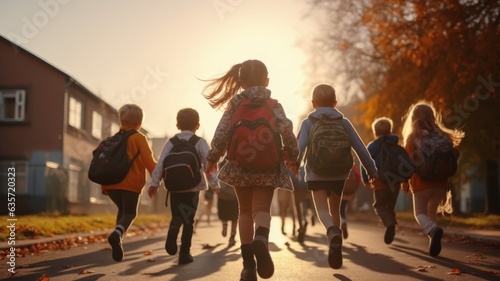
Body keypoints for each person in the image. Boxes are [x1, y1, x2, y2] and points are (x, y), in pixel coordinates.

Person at [203, 59, 299, 280]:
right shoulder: (274, 104)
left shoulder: (235, 105)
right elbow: (287, 130)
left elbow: (222, 133)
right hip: (268, 165)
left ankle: (248, 267)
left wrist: (212, 159)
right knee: (261, 209)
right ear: (266, 81)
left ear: (240, 82)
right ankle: (262, 239)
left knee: (244, 212)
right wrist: (292, 156)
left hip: (240, 165)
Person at [296, 83, 377, 269]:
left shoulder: (308, 123)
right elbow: (360, 149)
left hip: (316, 173)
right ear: (335, 103)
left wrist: (295, 165)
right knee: (335, 210)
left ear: (313, 103)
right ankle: (336, 241)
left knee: (322, 210)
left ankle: (332, 233)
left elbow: (299, 148)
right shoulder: (344, 122)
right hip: (340, 173)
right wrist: (372, 170)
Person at [148, 108, 213, 264]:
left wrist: (154, 183)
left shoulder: (171, 142)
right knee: (189, 220)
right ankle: (184, 253)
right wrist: (214, 184)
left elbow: (161, 162)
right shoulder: (200, 142)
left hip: (174, 187)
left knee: (177, 215)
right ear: (197, 125)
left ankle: (174, 227)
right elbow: (209, 164)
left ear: (177, 125)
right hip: (193, 188)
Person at [401, 101, 464, 257]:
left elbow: (408, 163)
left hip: (421, 183)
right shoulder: (442, 135)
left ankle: (434, 231)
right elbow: (455, 154)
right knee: (431, 214)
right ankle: (433, 243)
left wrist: (404, 182)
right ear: (432, 117)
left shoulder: (413, 137)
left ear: (414, 118)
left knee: (420, 213)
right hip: (441, 184)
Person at [102, 104, 157, 262]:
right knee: (131, 213)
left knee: (122, 209)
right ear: (139, 123)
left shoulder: (113, 139)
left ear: (121, 120)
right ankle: (116, 234)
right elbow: (149, 162)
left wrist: (104, 186)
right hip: (130, 184)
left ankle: (118, 238)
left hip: (111, 184)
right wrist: (158, 179)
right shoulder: (138, 138)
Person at [361, 117, 401, 244]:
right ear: (390, 130)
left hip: (379, 180)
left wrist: (366, 179)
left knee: (379, 206)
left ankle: (389, 224)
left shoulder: (373, 146)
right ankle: (391, 222)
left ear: (375, 132)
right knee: (390, 206)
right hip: (395, 181)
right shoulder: (395, 144)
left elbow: (365, 162)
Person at [340, 161, 361, 239]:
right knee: (343, 208)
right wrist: (355, 188)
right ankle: (344, 221)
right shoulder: (352, 164)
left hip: (339, 190)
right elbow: (358, 177)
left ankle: (341, 223)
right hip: (349, 191)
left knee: (337, 209)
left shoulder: (336, 162)